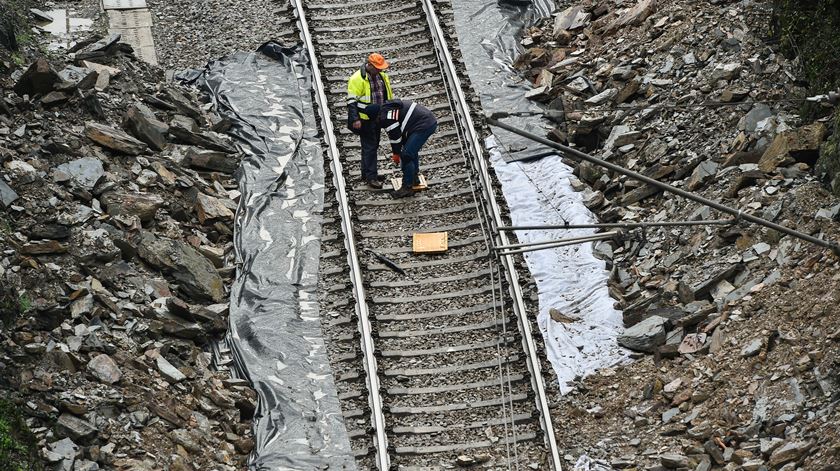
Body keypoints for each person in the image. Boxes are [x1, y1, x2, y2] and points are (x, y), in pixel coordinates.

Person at [366, 99, 438, 198]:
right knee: (410, 150)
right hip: (423, 121)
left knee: (406, 155)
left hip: (424, 124)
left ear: (375, 117)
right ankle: (414, 178)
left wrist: (396, 154)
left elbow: (395, 137)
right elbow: (399, 134)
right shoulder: (386, 108)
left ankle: (407, 188)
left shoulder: (386, 117)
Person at [346, 53, 394, 189]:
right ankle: (371, 177)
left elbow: (386, 94)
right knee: (370, 147)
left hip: (378, 117)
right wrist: (355, 119)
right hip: (365, 119)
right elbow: (351, 101)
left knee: (373, 145)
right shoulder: (357, 79)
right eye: (378, 68)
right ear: (370, 65)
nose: (380, 70)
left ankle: (366, 173)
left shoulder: (382, 76)